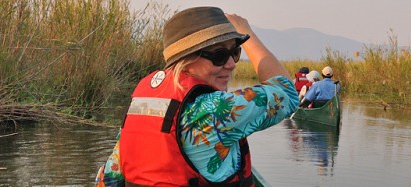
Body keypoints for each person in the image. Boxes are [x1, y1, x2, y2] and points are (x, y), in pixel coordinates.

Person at [95, 6, 299, 187]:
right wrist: (247, 33)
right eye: (219, 55)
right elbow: (287, 92)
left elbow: (109, 178)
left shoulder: (143, 104)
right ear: (186, 59)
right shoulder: (213, 110)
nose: (231, 64)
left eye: (235, 52)